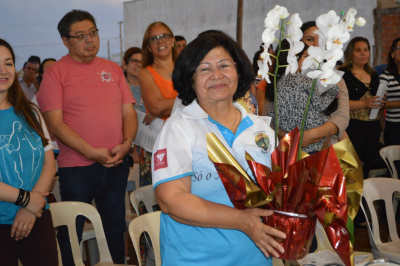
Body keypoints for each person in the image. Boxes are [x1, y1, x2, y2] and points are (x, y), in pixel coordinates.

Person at [153, 31, 286, 266]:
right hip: (196, 260)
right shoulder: (179, 128)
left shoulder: (260, 127)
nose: (217, 75)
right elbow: (171, 200)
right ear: (190, 78)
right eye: (204, 69)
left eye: (224, 65)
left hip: (255, 258)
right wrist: (241, 221)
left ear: (238, 70)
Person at [37, 10, 137, 265]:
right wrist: (91, 152)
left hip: (116, 162)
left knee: (115, 227)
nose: (90, 40)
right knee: (72, 229)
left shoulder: (113, 69)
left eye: (93, 33)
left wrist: (126, 144)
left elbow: (128, 112)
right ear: (65, 41)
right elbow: (55, 124)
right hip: (78, 168)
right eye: (81, 36)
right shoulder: (55, 73)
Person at [0, 39, 58, 266]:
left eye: (8, 63)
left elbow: (49, 162)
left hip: (37, 218)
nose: (3, 71)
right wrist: (26, 200)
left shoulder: (30, 111)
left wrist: (32, 208)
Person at [267, 43, 340, 154]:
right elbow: (319, 104)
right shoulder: (305, 80)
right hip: (310, 142)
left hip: (287, 139)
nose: (310, 60)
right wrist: (333, 91)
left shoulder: (279, 81)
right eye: (306, 56)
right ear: (294, 58)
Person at [138, 21, 178, 187]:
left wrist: (165, 107)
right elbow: (155, 107)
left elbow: (203, 99)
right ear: (148, 47)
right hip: (158, 143)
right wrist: (189, 100)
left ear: (173, 40)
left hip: (186, 139)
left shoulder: (188, 68)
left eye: (164, 36)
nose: (160, 41)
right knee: (160, 197)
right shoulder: (145, 73)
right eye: (154, 39)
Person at [338, 36, 383, 178]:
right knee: (352, 166)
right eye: (358, 50)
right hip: (353, 127)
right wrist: (364, 103)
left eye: (366, 50)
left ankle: (365, 197)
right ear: (351, 54)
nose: (364, 53)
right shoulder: (343, 74)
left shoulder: (373, 73)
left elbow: (375, 101)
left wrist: (380, 102)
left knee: (367, 165)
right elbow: (338, 103)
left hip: (373, 126)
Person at [380, 37, 400, 146]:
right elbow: (380, 104)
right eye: (399, 48)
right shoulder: (386, 75)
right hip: (394, 128)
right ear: (392, 52)